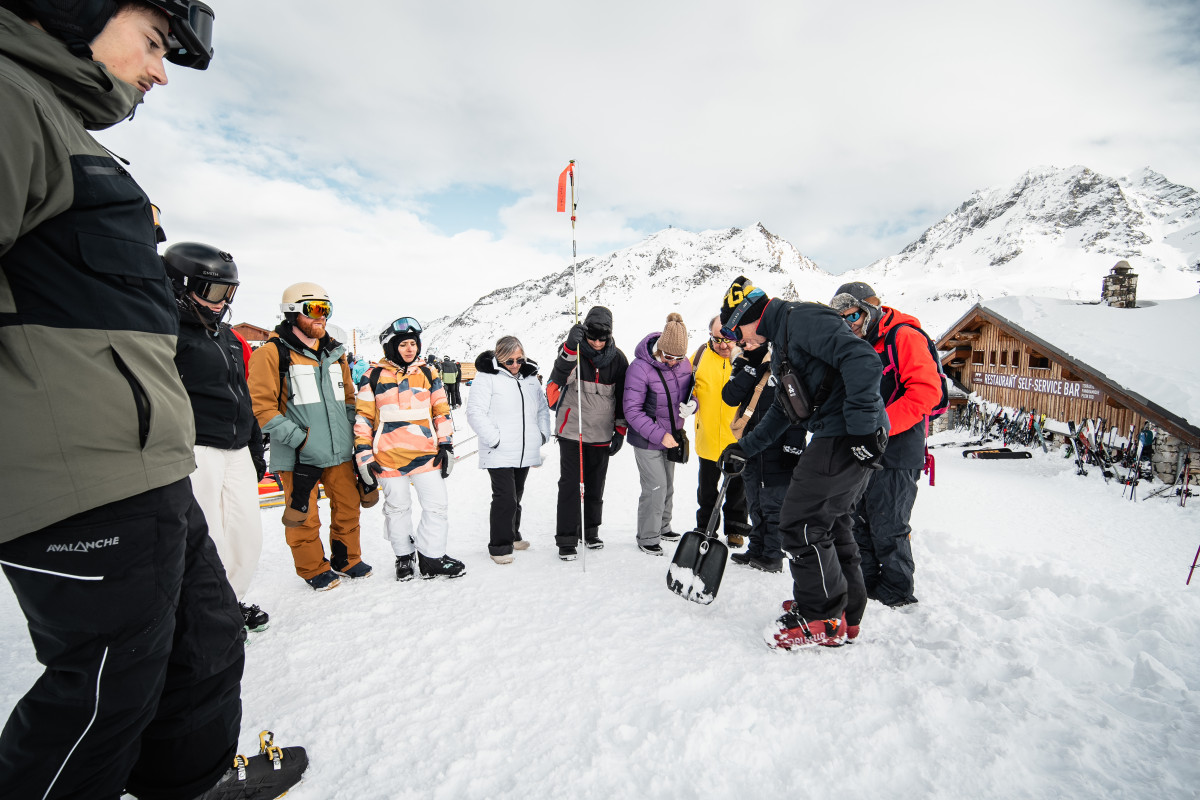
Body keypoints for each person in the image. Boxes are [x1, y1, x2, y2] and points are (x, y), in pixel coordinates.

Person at [0, 2, 307, 798]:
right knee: (103, 695)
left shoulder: (61, 126)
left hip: (146, 472)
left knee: (205, 641)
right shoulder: (9, 101)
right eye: (152, 42)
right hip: (76, 484)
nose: (160, 70)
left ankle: (189, 785)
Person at [718, 276, 888, 650]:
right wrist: (745, 447)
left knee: (800, 520)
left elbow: (862, 359)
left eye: (735, 330)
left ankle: (820, 615)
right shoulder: (783, 340)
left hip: (845, 433)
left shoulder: (802, 319)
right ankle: (845, 611)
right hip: (841, 431)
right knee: (833, 520)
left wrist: (860, 430)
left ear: (750, 316)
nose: (736, 340)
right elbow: (785, 408)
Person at [167, 242, 270, 633]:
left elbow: (242, 394)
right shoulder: (168, 332)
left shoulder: (226, 337)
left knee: (247, 536)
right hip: (195, 448)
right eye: (213, 291)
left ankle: (230, 601)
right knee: (207, 536)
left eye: (229, 293)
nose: (222, 302)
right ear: (182, 285)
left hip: (236, 448)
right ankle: (203, 615)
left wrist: (254, 444)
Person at [248, 282, 373, 591]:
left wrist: (355, 436)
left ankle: (347, 559)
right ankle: (313, 568)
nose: (323, 317)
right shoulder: (270, 354)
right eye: (315, 310)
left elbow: (347, 401)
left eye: (327, 310)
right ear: (293, 313)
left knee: (348, 507)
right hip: (298, 455)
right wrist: (300, 439)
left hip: (339, 451)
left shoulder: (336, 354)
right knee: (304, 516)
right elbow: (260, 406)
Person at [830, 282, 942, 608]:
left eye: (853, 314)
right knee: (857, 522)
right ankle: (865, 586)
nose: (849, 322)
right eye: (842, 317)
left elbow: (925, 392)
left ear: (871, 307)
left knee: (888, 525)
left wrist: (878, 426)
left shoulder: (903, 336)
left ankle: (896, 593)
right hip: (865, 450)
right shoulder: (858, 345)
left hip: (897, 451)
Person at [355, 317, 466, 580]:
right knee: (397, 508)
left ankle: (431, 556)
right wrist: (364, 456)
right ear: (391, 347)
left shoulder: (429, 374)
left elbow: (441, 411)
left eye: (413, 344)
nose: (409, 349)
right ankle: (404, 557)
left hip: (426, 455)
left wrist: (446, 444)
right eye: (403, 344)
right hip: (388, 458)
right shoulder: (372, 376)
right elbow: (363, 418)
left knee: (437, 506)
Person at [546, 306, 630, 561]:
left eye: (601, 338)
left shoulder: (618, 360)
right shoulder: (573, 351)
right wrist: (571, 348)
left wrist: (619, 430)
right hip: (573, 431)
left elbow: (623, 397)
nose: (595, 342)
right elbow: (557, 377)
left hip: (602, 433)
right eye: (591, 336)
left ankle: (590, 530)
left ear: (609, 336)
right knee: (570, 485)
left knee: (596, 485)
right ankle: (567, 538)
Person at [465, 336, 552, 564]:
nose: (515, 365)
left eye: (519, 359)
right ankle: (499, 546)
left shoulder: (530, 378)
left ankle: (513, 535)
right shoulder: (487, 378)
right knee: (505, 498)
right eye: (509, 361)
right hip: (499, 449)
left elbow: (542, 409)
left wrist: (542, 434)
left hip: (524, 448)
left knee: (517, 494)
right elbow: (475, 412)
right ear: (499, 358)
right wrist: (495, 439)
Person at [721, 345, 807, 573]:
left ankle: (773, 554)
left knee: (774, 505)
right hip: (752, 445)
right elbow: (730, 397)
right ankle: (756, 548)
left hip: (780, 447)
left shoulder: (788, 368)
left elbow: (798, 409)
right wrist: (748, 367)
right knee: (755, 501)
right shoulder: (750, 366)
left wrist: (794, 446)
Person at [622, 313, 695, 555]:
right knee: (655, 486)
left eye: (679, 357)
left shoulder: (684, 364)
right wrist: (659, 435)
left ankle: (663, 527)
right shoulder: (640, 368)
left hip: (672, 435)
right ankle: (648, 536)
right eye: (668, 357)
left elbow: (690, 392)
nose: (674, 362)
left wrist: (692, 404)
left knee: (668, 485)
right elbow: (632, 411)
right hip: (647, 438)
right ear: (659, 349)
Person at [692, 317, 750, 546]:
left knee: (737, 488)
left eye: (728, 339)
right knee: (707, 490)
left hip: (736, 438)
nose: (723, 345)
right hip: (707, 437)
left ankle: (735, 529)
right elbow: (684, 385)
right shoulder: (698, 357)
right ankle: (705, 527)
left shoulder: (747, 359)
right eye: (717, 339)